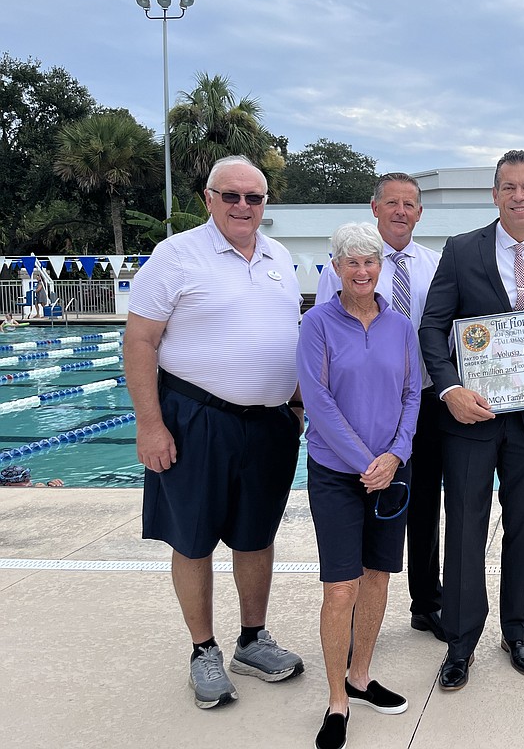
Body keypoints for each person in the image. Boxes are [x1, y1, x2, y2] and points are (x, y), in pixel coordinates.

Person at [125, 155, 305, 710]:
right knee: (194, 537)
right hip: (196, 418)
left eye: (254, 198)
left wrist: (297, 410)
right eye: (231, 196)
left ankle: (252, 639)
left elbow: (291, 338)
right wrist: (150, 425)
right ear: (209, 198)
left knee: (257, 535)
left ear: (265, 204)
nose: (243, 207)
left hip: (269, 423)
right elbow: (139, 343)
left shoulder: (280, 258)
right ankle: (203, 649)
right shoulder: (176, 255)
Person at [419, 150, 524, 691]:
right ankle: (460, 641)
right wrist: (449, 390)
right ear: (494, 194)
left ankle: (517, 631)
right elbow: (432, 328)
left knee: (523, 529)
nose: (519, 196)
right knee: (464, 531)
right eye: (508, 187)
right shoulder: (463, 250)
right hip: (470, 418)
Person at [298, 222, 421, 749]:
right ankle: (336, 700)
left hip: (390, 472)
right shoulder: (317, 324)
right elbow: (317, 402)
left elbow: (414, 394)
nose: (363, 270)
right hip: (336, 474)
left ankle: (361, 675)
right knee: (340, 586)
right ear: (336, 268)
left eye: (371, 261)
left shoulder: (400, 327)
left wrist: (395, 455)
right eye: (352, 262)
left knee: (377, 579)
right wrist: (365, 462)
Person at [314, 174, 446, 641]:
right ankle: (352, 616)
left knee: (424, 503)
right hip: (359, 409)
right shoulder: (349, 266)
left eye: (409, 204)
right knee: (359, 506)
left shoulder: (435, 264)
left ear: (419, 212)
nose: (401, 211)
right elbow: (325, 333)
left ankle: (427, 603)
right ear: (375, 207)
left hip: (423, 400)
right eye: (392, 203)